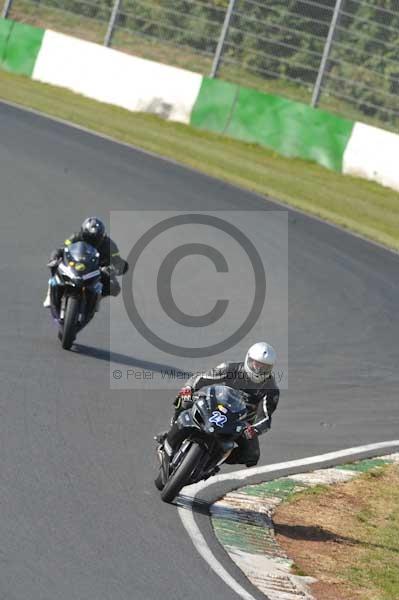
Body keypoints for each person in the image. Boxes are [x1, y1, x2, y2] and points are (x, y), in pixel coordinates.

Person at [158, 342, 280, 467]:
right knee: (185, 400)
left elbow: (265, 417)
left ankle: (214, 461)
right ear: (248, 359)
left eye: (264, 367)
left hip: (240, 423)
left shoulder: (271, 390)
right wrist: (189, 387)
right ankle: (172, 429)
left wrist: (254, 429)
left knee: (252, 456)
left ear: (270, 368)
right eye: (256, 364)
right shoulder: (230, 368)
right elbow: (202, 378)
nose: (258, 369)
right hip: (214, 405)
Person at [43, 217, 129, 307]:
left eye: (95, 239)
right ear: (83, 233)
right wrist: (55, 258)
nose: (91, 241)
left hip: (97, 270)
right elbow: (63, 247)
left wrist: (115, 269)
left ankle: (97, 299)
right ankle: (49, 294)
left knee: (114, 287)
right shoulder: (76, 237)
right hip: (75, 264)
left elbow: (118, 261)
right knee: (55, 265)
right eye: (88, 238)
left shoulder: (109, 245)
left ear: (102, 236)